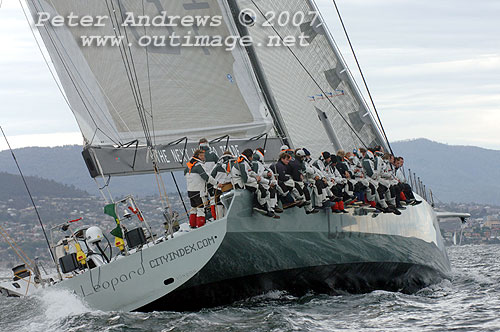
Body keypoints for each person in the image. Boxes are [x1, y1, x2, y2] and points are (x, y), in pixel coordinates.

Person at [232, 149, 277, 218]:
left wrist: (268, 182)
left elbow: (251, 173)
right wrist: (256, 179)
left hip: (243, 181)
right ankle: (262, 207)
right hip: (240, 184)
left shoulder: (245, 162)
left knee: (262, 188)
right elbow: (246, 179)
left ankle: (266, 207)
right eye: (252, 156)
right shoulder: (242, 163)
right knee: (260, 188)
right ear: (249, 156)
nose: (252, 158)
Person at [184, 149, 221, 228]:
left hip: (190, 191)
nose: (204, 157)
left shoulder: (188, 165)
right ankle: (201, 226)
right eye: (202, 156)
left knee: (193, 208)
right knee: (201, 209)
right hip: (198, 191)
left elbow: (185, 175)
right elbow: (206, 177)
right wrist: (217, 183)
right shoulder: (198, 165)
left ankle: (193, 225)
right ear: (198, 156)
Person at [252, 148, 282, 216]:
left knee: (273, 188)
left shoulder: (260, 164)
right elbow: (257, 176)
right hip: (257, 182)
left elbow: (261, 173)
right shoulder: (256, 163)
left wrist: (267, 174)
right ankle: (264, 207)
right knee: (266, 190)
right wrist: (268, 182)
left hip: (262, 181)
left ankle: (272, 207)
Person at [288, 149, 319, 214]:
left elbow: (303, 171)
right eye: (302, 157)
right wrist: (300, 176)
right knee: (301, 191)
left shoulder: (300, 163)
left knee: (306, 191)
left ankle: (309, 209)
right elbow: (295, 173)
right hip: (294, 180)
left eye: (303, 156)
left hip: (299, 180)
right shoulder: (296, 163)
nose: (303, 158)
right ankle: (302, 203)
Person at [199, 138, 219, 220]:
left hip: (203, 182)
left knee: (204, 200)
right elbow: (219, 165)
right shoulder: (213, 154)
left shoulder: (199, 156)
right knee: (213, 199)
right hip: (213, 180)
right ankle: (215, 216)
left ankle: (206, 217)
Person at [211, 151, 235, 219]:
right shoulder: (233, 165)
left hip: (217, 188)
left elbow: (211, 177)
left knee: (219, 207)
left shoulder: (217, 166)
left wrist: (217, 183)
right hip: (228, 188)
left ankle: (219, 222)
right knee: (227, 206)